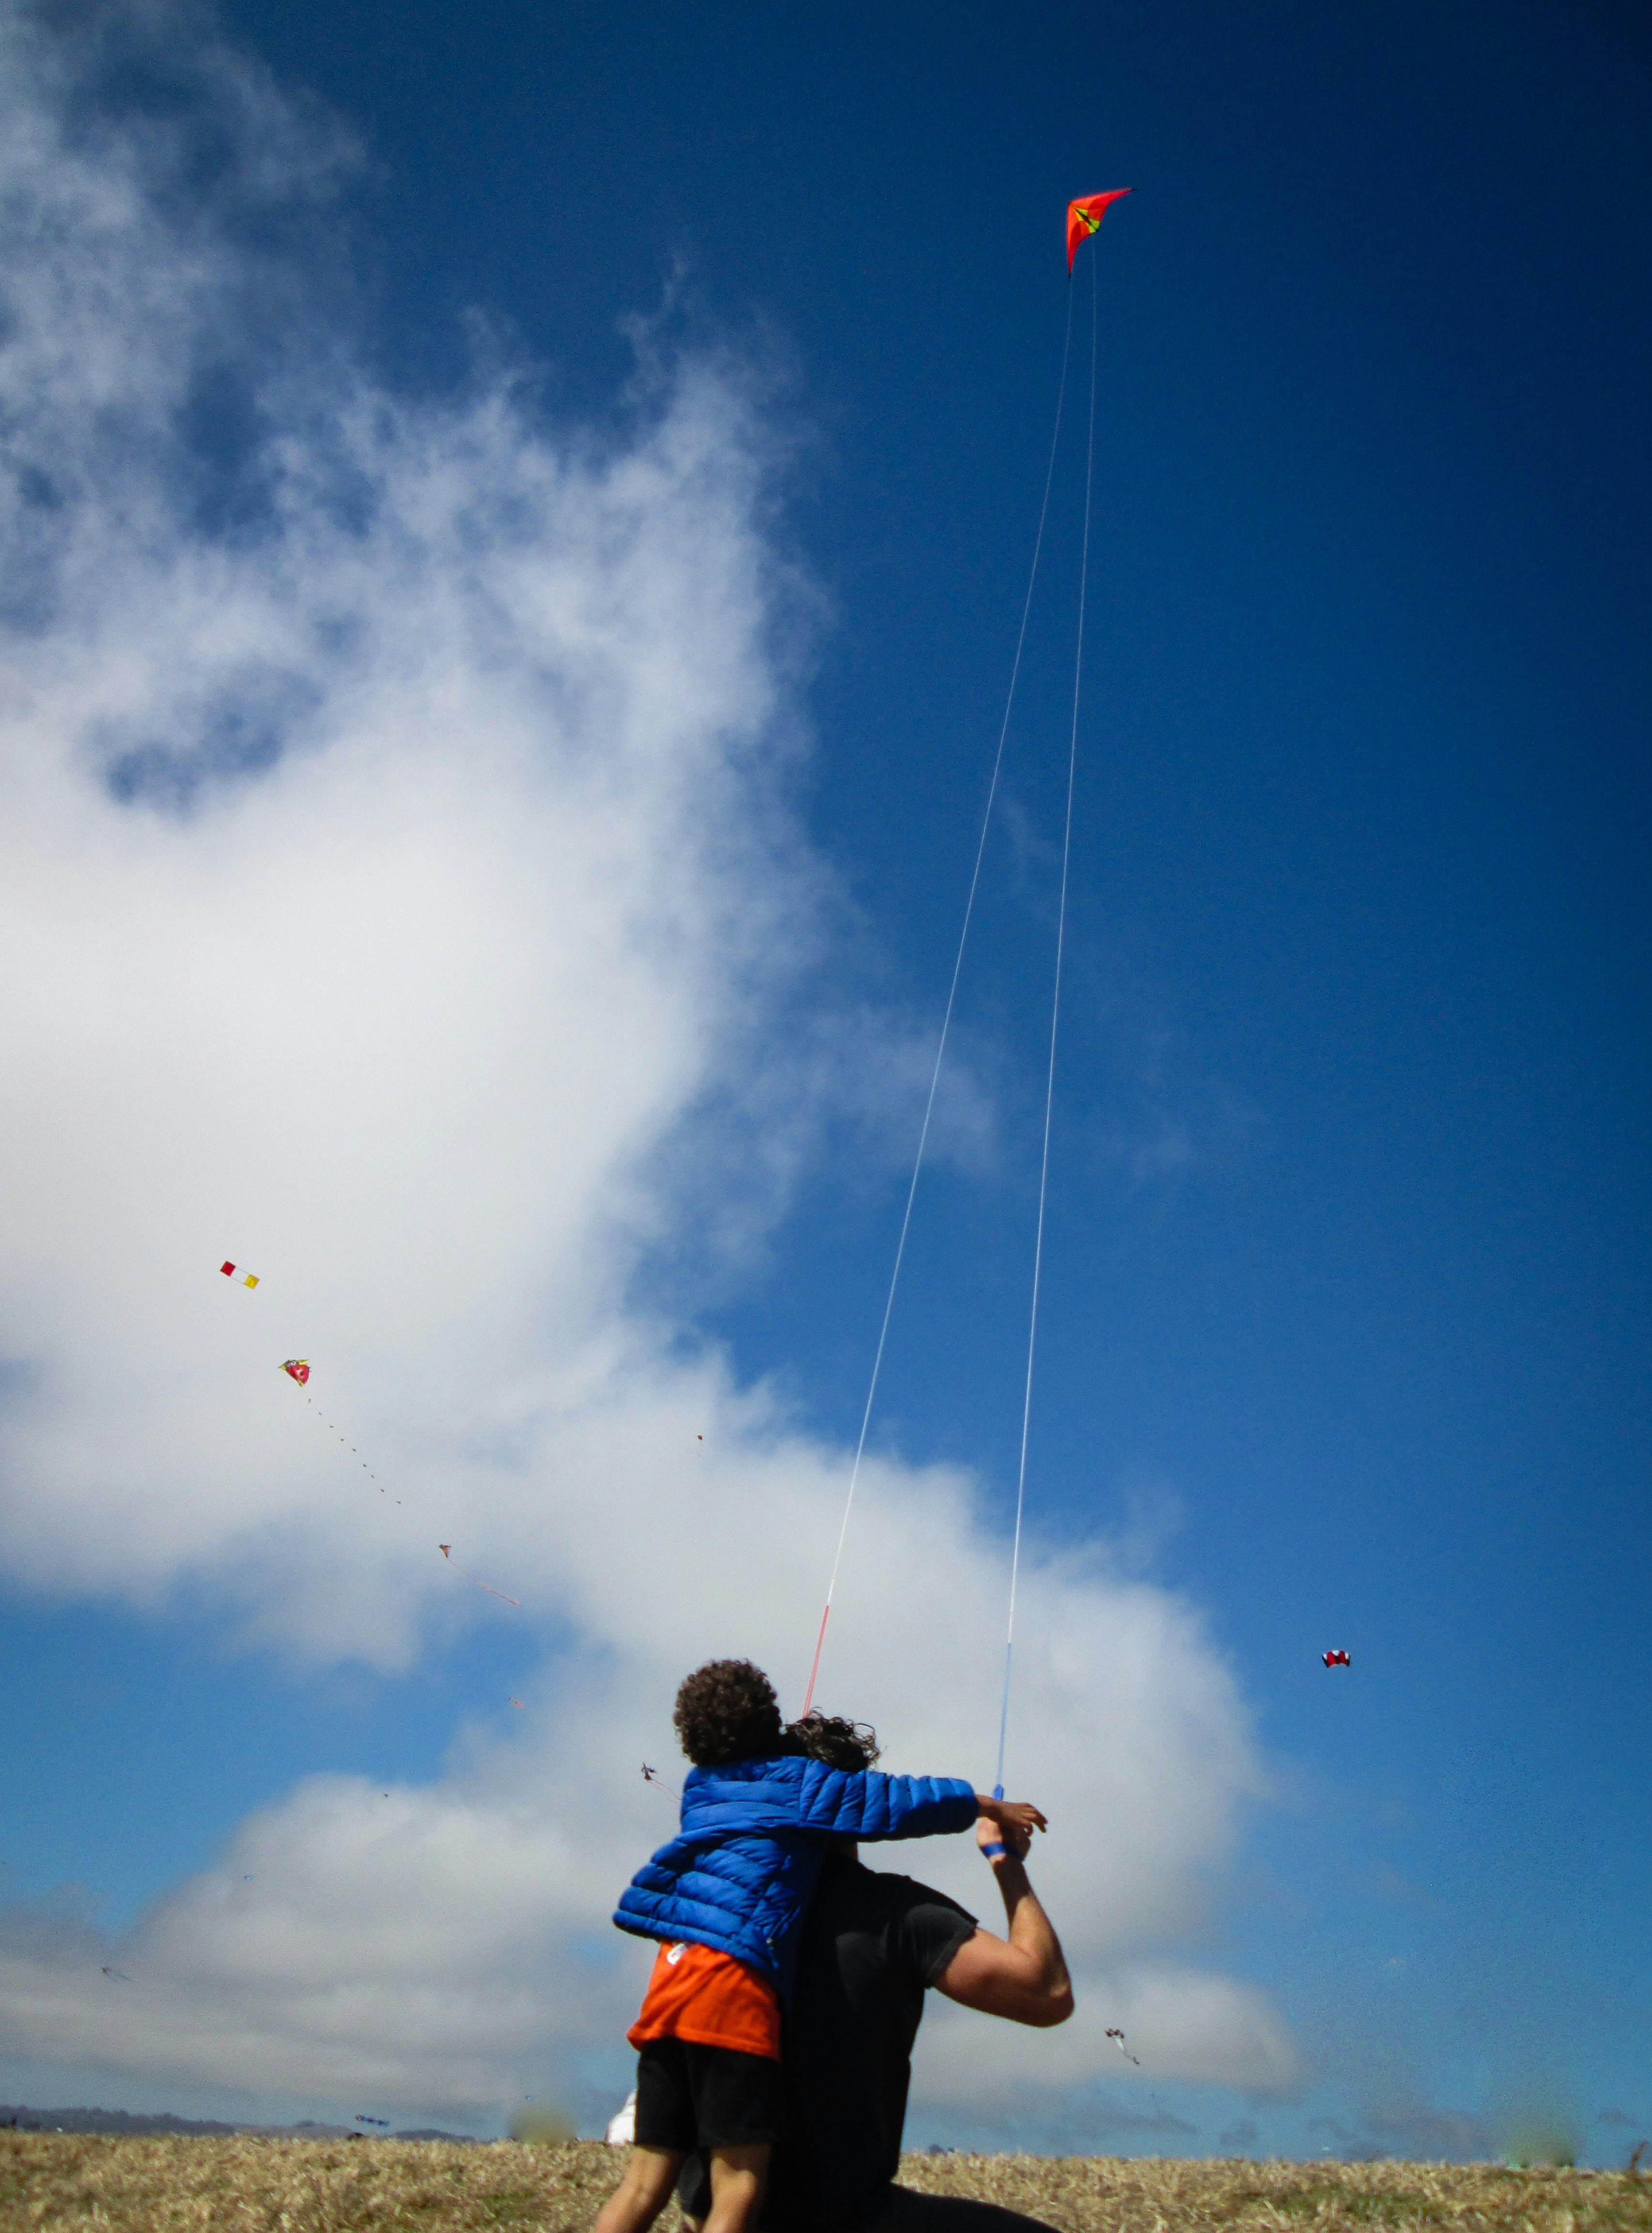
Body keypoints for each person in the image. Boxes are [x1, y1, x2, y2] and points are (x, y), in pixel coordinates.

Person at [596, 1661, 1046, 2233]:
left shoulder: (701, 1791)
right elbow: (892, 1802)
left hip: (668, 1992)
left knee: (641, 2185)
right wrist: (985, 1807)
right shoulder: (801, 1790)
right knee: (740, 2187)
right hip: (726, 2001)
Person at [677, 1801, 1073, 2233]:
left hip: (715, 2212)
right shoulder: (896, 1912)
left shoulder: (711, 1915)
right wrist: (1005, 1860)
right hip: (846, 2218)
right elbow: (1047, 1993)